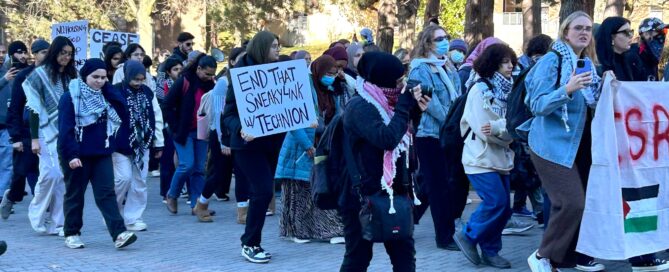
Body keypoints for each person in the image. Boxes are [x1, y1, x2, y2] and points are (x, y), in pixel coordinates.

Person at [524, 11, 605, 272]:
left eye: (588, 29)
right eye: (578, 27)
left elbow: (592, 103)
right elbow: (537, 104)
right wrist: (567, 90)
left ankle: (556, 259)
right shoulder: (551, 60)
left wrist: (606, 88)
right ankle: (542, 256)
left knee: (570, 204)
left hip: (575, 145)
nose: (584, 32)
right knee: (572, 202)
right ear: (565, 32)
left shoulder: (586, 64)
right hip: (549, 145)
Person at [340, 51, 428, 271]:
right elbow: (387, 139)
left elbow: (402, 135)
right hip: (362, 194)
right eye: (398, 81)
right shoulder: (360, 106)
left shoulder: (389, 103)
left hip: (394, 191)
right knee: (358, 257)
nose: (402, 85)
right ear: (383, 80)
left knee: (405, 256)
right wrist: (405, 106)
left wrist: (414, 111)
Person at [595, 16, 669, 271]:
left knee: (640, 195)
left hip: (636, 144)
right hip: (612, 144)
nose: (630, 36)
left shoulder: (635, 59)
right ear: (611, 37)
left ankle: (642, 252)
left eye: (630, 32)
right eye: (625, 32)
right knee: (622, 198)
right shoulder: (599, 65)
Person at [57, 58, 137, 249]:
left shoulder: (105, 95)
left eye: (103, 77)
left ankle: (119, 234)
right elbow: (65, 130)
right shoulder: (70, 97)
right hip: (76, 154)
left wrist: (108, 88)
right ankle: (72, 233)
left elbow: (122, 109)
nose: (99, 81)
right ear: (84, 76)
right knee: (75, 194)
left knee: (106, 193)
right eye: (95, 77)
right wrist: (72, 155)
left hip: (101, 152)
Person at [452, 43, 517, 269]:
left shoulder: (509, 89)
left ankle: (491, 251)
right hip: (479, 158)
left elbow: (509, 126)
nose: (510, 66)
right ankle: (468, 235)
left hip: (501, 158)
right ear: (493, 63)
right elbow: (483, 130)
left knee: (504, 208)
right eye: (504, 62)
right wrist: (508, 134)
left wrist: (501, 130)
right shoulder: (479, 90)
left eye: (511, 61)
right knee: (496, 202)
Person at [222, 31, 283, 263]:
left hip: (271, 142)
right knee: (263, 191)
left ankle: (251, 241)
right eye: (274, 46)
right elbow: (228, 114)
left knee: (263, 191)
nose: (278, 50)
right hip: (247, 145)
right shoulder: (240, 76)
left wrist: (304, 117)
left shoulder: (280, 73)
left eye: (278, 46)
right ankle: (250, 243)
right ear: (262, 48)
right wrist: (241, 128)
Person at [277, 55, 344, 244]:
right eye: (328, 73)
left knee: (319, 189)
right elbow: (293, 120)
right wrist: (307, 145)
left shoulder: (330, 92)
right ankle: (298, 231)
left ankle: (330, 230)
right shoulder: (302, 88)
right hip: (301, 148)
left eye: (334, 73)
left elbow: (335, 118)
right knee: (300, 192)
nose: (331, 77)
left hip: (321, 146)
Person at [406, 25, 462, 251]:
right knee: (439, 186)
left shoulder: (448, 67)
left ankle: (407, 219)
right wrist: (451, 121)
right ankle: (444, 237)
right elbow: (429, 104)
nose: (445, 42)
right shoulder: (420, 69)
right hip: (429, 135)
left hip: (448, 132)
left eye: (446, 37)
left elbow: (456, 96)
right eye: (439, 39)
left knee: (432, 185)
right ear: (427, 43)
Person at [23, 36, 78, 235]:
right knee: (50, 175)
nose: (66, 57)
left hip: (66, 132)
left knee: (63, 177)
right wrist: (34, 138)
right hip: (45, 133)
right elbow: (34, 109)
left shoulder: (72, 76)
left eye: (70, 54)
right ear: (55, 52)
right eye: (63, 52)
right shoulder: (40, 75)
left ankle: (58, 223)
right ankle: (36, 214)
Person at [110, 60, 162, 232]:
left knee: (139, 181)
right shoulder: (115, 91)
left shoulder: (147, 92)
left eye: (142, 79)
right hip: (120, 144)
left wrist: (159, 142)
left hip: (143, 144)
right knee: (122, 179)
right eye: (135, 79)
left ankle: (133, 218)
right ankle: (112, 213)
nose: (139, 83)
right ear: (127, 76)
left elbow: (156, 115)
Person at [0, 39, 49, 219]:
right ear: (34, 54)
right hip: (26, 131)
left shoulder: (54, 75)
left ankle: (44, 205)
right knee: (21, 172)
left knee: (42, 171)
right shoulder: (24, 76)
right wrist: (16, 137)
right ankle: (11, 196)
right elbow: (15, 108)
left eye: (48, 52)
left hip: (47, 131)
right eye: (43, 52)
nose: (46, 55)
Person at [163, 55, 217, 215]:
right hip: (183, 131)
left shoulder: (210, 84)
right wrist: (175, 127)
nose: (209, 77)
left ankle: (197, 205)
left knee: (199, 169)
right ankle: (172, 195)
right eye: (207, 74)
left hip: (202, 131)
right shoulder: (184, 81)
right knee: (187, 164)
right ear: (198, 68)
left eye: (212, 74)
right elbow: (167, 105)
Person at [192, 77, 236, 222]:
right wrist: (222, 141)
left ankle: (243, 211)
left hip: (240, 133)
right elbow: (218, 114)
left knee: (243, 172)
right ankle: (201, 204)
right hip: (221, 135)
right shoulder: (224, 82)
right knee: (218, 173)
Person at [0, 41, 27, 198]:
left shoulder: (11, 70)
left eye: (3, 52)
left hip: (6, 124)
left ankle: (3, 196)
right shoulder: (6, 74)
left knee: (6, 162)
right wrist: (4, 79)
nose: (1, 55)